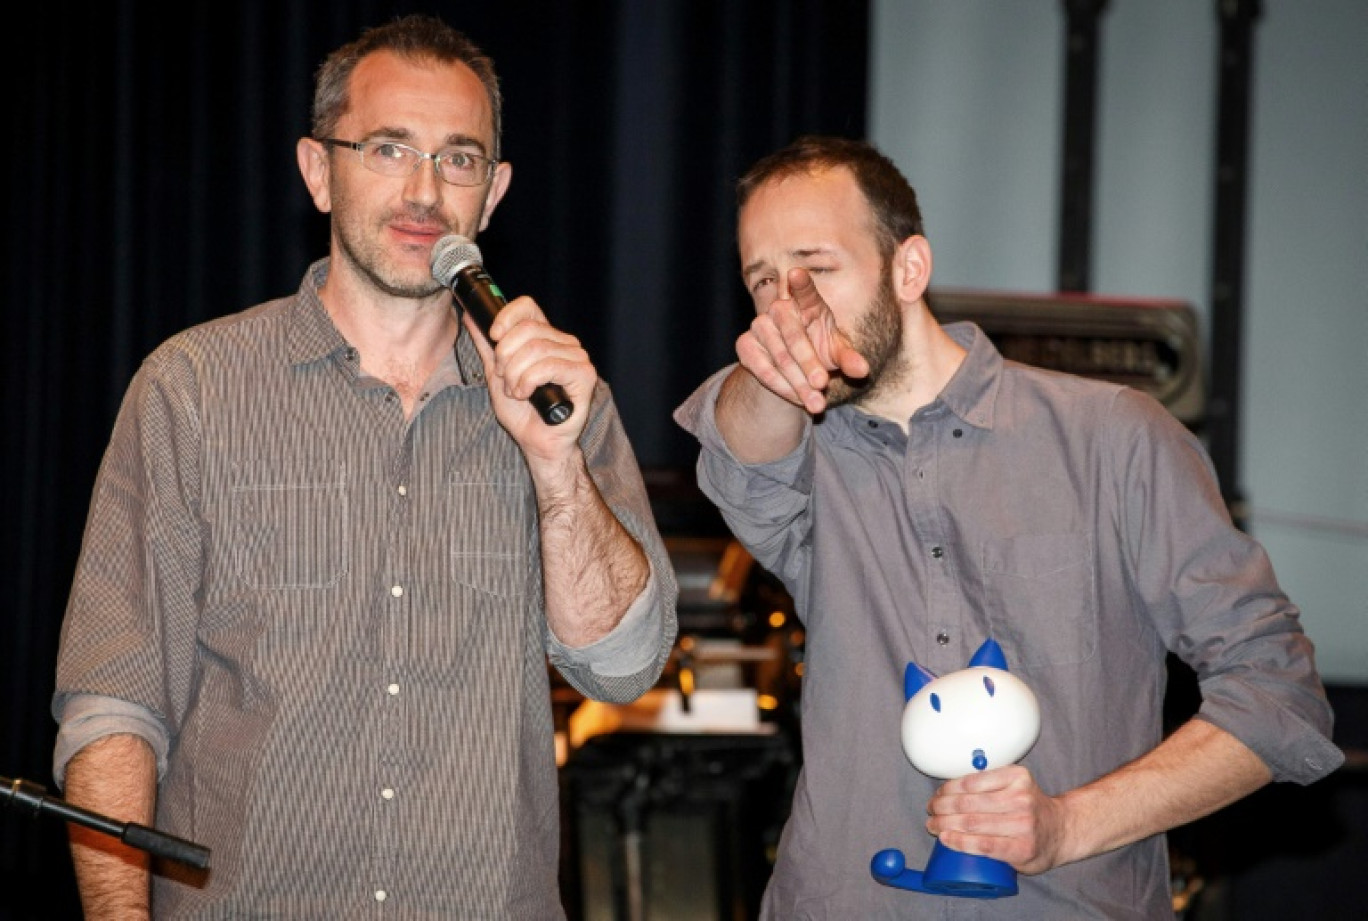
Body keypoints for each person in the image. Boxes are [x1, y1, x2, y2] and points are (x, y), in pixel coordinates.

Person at [51, 13, 678, 919]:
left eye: (458, 159)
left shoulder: (559, 398)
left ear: (492, 194)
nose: (425, 190)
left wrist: (555, 469)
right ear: (318, 170)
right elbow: (114, 702)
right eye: (389, 148)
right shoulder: (193, 389)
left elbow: (621, 668)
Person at [673, 135, 1343, 918]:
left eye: (817, 268)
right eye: (763, 283)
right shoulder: (807, 459)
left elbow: (1278, 694)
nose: (792, 307)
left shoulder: (1111, 437)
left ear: (908, 268)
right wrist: (770, 372)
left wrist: (1066, 824)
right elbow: (738, 447)